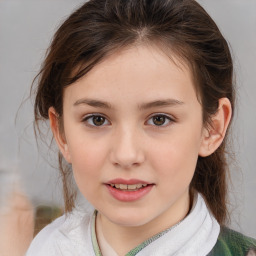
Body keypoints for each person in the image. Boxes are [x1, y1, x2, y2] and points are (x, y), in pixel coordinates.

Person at [26, 0, 256, 255]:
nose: (126, 155)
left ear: (212, 128)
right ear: (61, 132)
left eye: (159, 119)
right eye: (97, 119)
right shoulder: (45, 247)